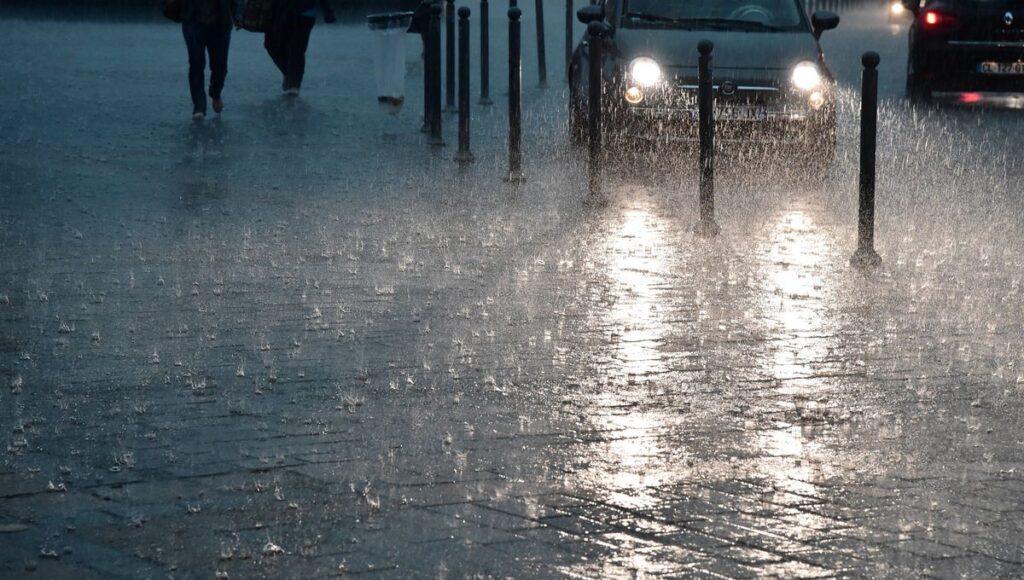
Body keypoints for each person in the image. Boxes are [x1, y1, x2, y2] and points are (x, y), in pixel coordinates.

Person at [180, 0, 243, 120]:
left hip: (220, 22)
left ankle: (215, 93)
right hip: (193, 20)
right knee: (196, 63)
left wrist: (238, 16)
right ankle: (199, 106)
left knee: (220, 67)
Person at [264, 0, 337, 97]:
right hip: (282, 13)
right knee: (271, 44)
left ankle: (293, 86)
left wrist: (327, 10)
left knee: (297, 50)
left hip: (303, 13)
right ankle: (291, 76)